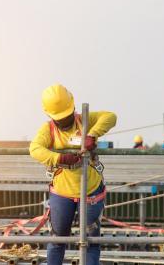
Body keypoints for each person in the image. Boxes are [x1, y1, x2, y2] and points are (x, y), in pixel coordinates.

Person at [29, 83, 117, 265]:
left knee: (90, 241)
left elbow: (111, 117)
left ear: (73, 108)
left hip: (90, 191)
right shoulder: (49, 130)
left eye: (68, 115)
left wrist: (92, 135)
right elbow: (35, 149)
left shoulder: (84, 120)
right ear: (50, 116)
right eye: (60, 118)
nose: (65, 120)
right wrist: (60, 158)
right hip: (63, 193)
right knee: (58, 239)